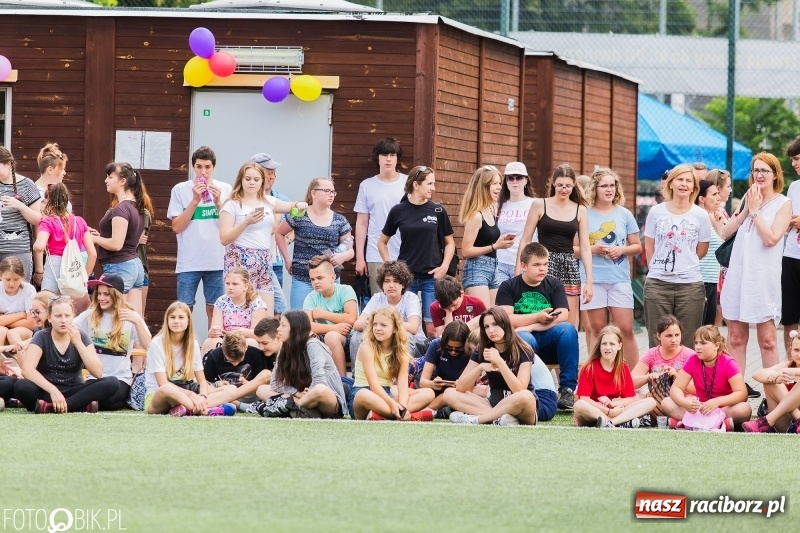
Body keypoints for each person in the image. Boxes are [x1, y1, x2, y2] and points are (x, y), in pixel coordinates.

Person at [713, 153, 791, 375]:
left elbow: (771, 238)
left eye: (764, 170)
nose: (758, 175)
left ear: (775, 175)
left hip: (763, 280)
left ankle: (773, 399)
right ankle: (737, 395)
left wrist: (755, 211)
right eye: (755, 170)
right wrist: (747, 208)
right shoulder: (749, 198)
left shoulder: (783, 204)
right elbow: (726, 232)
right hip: (738, 276)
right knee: (736, 337)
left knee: (767, 340)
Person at [497, 242, 579, 411]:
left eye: (545, 264)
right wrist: (538, 317)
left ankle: (567, 390)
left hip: (548, 339)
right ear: (523, 266)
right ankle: (530, 389)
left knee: (568, 329)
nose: (542, 269)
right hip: (522, 344)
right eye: (536, 265)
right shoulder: (509, 286)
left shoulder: (554, 284)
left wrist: (533, 326)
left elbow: (563, 315)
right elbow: (507, 319)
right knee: (524, 337)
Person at [220, 162, 307, 316]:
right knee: (241, 310)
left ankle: (261, 339)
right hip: (240, 259)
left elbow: (291, 206)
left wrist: (300, 204)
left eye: (256, 179)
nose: (252, 182)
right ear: (241, 180)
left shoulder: (268, 201)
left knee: (266, 309)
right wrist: (246, 222)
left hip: (264, 259)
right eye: (248, 179)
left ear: (262, 181)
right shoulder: (232, 204)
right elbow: (224, 238)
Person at [379, 166, 455, 338]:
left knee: (432, 328)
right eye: (429, 184)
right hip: (407, 278)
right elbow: (382, 242)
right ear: (416, 185)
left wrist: (444, 267)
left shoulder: (437, 211)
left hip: (432, 277)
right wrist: (390, 265)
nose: (433, 188)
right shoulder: (399, 210)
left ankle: (430, 364)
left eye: (433, 184)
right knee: (403, 325)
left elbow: (450, 243)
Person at [516, 163, 593, 328]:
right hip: (543, 263)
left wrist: (589, 281)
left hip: (569, 266)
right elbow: (525, 240)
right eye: (560, 185)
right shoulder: (539, 204)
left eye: (568, 186)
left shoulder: (580, 210)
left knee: (570, 321)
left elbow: (585, 248)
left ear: (574, 186)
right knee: (541, 313)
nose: (563, 189)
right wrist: (519, 271)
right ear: (553, 184)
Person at [642, 164, 710, 348]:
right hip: (658, 285)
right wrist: (656, 269)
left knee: (688, 342)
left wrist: (684, 263)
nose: (684, 184)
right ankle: (657, 377)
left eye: (689, 181)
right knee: (657, 341)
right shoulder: (656, 212)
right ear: (671, 183)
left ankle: (684, 378)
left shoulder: (701, 215)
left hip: (690, 286)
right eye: (680, 179)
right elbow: (649, 246)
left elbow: (701, 250)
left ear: (694, 187)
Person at [13, 296, 119, 413]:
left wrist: (78, 343)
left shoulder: (81, 336)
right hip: (46, 391)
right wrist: (53, 390)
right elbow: (27, 370)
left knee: (112, 382)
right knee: (21, 386)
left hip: (75, 390)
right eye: (58, 316)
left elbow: (98, 372)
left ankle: (57, 407)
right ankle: (80, 406)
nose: (63, 320)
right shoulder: (41, 336)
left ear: (73, 316)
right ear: (49, 318)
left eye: (67, 316)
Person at [579, 168, 641, 365]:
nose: (609, 189)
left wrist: (621, 250)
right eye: (604, 185)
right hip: (592, 278)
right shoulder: (584, 213)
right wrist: (593, 249)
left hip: (619, 278)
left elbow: (637, 246)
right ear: (594, 188)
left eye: (612, 185)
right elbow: (573, 248)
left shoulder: (624, 214)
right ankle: (596, 374)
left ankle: (633, 377)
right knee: (597, 329)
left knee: (626, 328)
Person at [168, 146, 232, 326]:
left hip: (218, 260)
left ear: (214, 168)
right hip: (189, 261)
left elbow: (231, 226)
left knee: (215, 309)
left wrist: (219, 203)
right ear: (193, 167)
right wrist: (195, 201)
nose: (203, 172)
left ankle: (213, 348)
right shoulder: (180, 190)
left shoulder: (225, 189)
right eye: (199, 167)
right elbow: (177, 227)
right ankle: (185, 348)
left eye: (207, 167)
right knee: (184, 310)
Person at [444, 307, 541, 426]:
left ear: (505, 324)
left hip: (520, 406)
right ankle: (501, 419)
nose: (491, 330)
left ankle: (478, 420)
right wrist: (480, 368)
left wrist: (500, 363)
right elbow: (460, 387)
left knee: (526, 396)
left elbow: (519, 389)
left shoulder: (523, 349)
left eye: (495, 324)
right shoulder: (482, 349)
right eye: (486, 327)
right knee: (449, 393)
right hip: (493, 403)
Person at [74, 274, 152, 411]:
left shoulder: (130, 317)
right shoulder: (89, 315)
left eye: (106, 294)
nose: (101, 298)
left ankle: (82, 403)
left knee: (112, 394)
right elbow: (68, 329)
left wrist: (138, 321)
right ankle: (86, 402)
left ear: (116, 295)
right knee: (112, 403)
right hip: (94, 377)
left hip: (121, 379)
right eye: (99, 293)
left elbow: (149, 346)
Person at [144, 301, 236, 417]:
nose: (176, 321)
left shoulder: (193, 344)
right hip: (160, 395)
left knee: (231, 389)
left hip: (186, 388)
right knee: (167, 388)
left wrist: (202, 396)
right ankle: (206, 411)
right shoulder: (157, 344)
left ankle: (186, 409)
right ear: (167, 321)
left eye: (181, 317)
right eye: (172, 317)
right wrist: (192, 396)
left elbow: (202, 380)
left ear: (188, 321)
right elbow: (162, 383)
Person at [275, 177, 353, 311]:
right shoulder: (299, 214)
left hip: (329, 279)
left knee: (329, 320)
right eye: (327, 191)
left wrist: (343, 257)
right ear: (314, 193)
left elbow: (350, 250)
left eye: (333, 192)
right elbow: (279, 233)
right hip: (302, 277)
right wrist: (286, 259)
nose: (331, 195)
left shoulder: (340, 220)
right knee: (300, 320)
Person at [253, 311, 347, 419]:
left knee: (320, 389)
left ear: (295, 328)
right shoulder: (285, 346)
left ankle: (288, 407)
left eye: (283, 325)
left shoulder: (313, 345)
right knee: (261, 389)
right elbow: (275, 383)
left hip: (327, 402)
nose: (278, 329)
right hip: (302, 397)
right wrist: (296, 393)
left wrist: (306, 394)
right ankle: (301, 410)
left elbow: (319, 381)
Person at [349, 306, 435, 421]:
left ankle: (385, 415)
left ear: (395, 328)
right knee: (363, 394)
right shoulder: (367, 347)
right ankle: (407, 416)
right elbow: (373, 385)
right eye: (375, 324)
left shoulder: (401, 352)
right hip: (365, 395)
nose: (377, 328)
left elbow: (403, 387)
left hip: (387, 394)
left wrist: (402, 406)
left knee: (429, 393)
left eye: (383, 325)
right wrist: (392, 404)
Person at [661, 326, 751, 431]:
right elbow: (676, 388)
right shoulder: (692, 359)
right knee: (666, 402)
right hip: (698, 409)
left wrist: (717, 402)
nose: (698, 347)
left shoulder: (728, 362)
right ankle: (720, 425)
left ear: (716, 345)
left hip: (722, 409)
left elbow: (742, 394)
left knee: (744, 409)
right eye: (696, 343)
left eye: (703, 343)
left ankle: (686, 423)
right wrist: (685, 403)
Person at [573, 325, 656, 428]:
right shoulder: (589, 367)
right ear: (599, 346)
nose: (607, 347)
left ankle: (611, 423)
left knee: (650, 402)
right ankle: (616, 422)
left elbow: (630, 398)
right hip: (594, 411)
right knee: (579, 405)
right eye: (604, 344)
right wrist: (608, 411)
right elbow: (584, 399)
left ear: (619, 346)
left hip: (615, 410)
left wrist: (614, 404)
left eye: (612, 344)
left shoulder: (623, 367)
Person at [354, 137, 407, 295]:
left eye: (392, 155)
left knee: (405, 301)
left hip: (405, 252)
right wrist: (360, 258)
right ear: (377, 158)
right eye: (384, 155)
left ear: (398, 158)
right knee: (380, 302)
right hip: (375, 253)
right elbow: (362, 223)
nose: (388, 159)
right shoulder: (366, 185)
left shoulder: (409, 184)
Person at [92, 162, 146, 315]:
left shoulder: (121, 208)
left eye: (110, 177)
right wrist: (100, 236)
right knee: (134, 319)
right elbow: (130, 240)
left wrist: (93, 239)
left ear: (122, 181)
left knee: (111, 317)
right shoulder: (137, 206)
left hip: (119, 267)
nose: (106, 180)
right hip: (134, 265)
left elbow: (116, 244)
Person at [459, 165, 515, 307]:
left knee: (495, 317)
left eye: (499, 184)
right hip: (477, 269)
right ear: (483, 187)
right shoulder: (476, 216)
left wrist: (500, 242)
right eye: (494, 184)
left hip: (493, 268)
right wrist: (495, 246)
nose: (498, 188)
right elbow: (466, 251)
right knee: (482, 319)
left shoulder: (491, 210)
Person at [351, 260, 426, 361]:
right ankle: (358, 375)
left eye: (395, 281)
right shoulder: (377, 298)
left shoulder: (411, 298)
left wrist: (386, 324)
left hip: (414, 343)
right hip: (382, 338)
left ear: (403, 284)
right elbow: (357, 324)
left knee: (405, 336)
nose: (391, 285)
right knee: (357, 336)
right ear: (382, 284)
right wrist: (370, 324)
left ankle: (404, 375)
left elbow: (413, 328)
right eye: (387, 281)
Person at [32, 183, 95, 299]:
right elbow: (93, 254)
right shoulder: (80, 221)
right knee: (68, 306)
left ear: (48, 201)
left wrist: (36, 244)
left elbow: (39, 247)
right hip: (74, 266)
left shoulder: (48, 222)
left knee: (49, 302)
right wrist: (84, 277)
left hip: (55, 265)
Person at [630, 315, 695, 421]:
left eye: (677, 335)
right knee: (631, 399)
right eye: (668, 336)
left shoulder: (690, 355)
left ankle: (682, 419)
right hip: (656, 400)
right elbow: (630, 382)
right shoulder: (652, 354)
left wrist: (678, 377)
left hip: (682, 402)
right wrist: (648, 377)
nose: (674, 340)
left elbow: (697, 389)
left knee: (689, 401)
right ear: (658, 336)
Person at [249, 153, 291, 314]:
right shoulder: (246, 199)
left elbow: (293, 226)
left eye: (274, 172)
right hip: (253, 261)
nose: (272, 176)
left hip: (275, 261)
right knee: (258, 304)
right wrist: (276, 221)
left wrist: (285, 240)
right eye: (268, 171)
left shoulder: (280, 199)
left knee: (275, 308)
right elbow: (272, 228)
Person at [303, 255, 358, 376]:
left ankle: (343, 381)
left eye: (320, 278)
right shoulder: (311, 297)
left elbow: (352, 319)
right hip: (324, 337)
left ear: (332, 277)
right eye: (312, 279)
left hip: (349, 338)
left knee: (332, 337)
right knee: (306, 336)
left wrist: (324, 314)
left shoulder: (345, 290)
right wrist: (334, 328)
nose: (316, 282)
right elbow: (307, 326)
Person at [0, 146, 43, 281]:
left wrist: (21, 206)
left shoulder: (27, 185)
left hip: (18, 249)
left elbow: (38, 220)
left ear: (9, 164)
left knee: (18, 290)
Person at [744, 330, 800, 433]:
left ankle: (767, 421)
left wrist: (788, 371)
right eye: (796, 350)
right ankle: (798, 418)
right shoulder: (787, 365)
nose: (799, 355)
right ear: (790, 350)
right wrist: (775, 377)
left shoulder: (786, 369)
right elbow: (756, 374)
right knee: (771, 381)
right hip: (785, 423)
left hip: (780, 421)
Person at [202, 331, 274, 411]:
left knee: (266, 375)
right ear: (222, 349)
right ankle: (232, 403)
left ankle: (234, 404)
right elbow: (205, 382)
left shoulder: (256, 354)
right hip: (223, 393)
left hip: (248, 395)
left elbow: (263, 382)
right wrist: (217, 384)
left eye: (240, 360)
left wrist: (250, 384)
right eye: (230, 361)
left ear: (246, 347)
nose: (235, 364)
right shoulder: (214, 355)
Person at [202, 268, 267, 354]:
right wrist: (213, 332)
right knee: (210, 342)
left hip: (246, 338)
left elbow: (258, 333)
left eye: (235, 284)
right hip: (226, 338)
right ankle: (206, 367)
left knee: (251, 342)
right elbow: (217, 328)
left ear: (246, 286)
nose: (230, 287)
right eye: (227, 283)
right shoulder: (221, 301)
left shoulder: (256, 302)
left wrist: (242, 332)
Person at [419, 321, 471, 417]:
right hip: (437, 389)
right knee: (427, 393)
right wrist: (433, 384)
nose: (453, 352)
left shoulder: (472, 351)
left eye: (458, 349)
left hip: (460, 392)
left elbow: (471, 387)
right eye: (449, 348)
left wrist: (461, 385)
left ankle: (426, 411)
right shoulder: (436, 345)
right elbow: (423, 382)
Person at [496, 161, 537, 284]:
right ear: (506, 181)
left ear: (526, 180)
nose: (514, 181)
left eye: (519, 177)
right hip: (500, 263)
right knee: (501, 302)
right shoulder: (497, 205)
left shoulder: (535, 204)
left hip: (526, 263)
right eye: (510, 178)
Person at [695, 180, 723, 326]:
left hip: (712, 280)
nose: (718, 197)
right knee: (698, 329)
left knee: (707, 329)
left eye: (719, 193)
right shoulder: (697, 218)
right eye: (714, 194)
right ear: (701, 199)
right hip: (700, 280)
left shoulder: (712, 217)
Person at [782, 137, 800, 356]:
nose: (794, 164)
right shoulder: (794, 187)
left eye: (797, 159)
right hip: (791, 256)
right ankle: (790, 366)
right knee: (789, 317)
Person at [0, 257, 36, 346]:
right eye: (7, 279)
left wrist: (4, 319)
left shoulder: (29, 290)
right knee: (1, 332)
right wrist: (22, 315)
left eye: (16, 279)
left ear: (22, 277)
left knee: (12, 333)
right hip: (3, 327)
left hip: (23, 329)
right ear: (1, 276)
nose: (11, 284)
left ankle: (23, 358)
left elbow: (31, 323)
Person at [135, 177, 155, 317]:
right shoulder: (114, 211)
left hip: (139, 267)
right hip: (119, 267)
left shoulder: (143, 213)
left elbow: (133, 242)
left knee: (138, 315)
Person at [33, 142, 68, 207]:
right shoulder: (35, 195)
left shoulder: (58, 190)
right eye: (62, 169)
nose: (64, 173)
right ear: (50, 170)